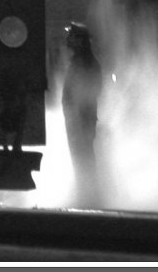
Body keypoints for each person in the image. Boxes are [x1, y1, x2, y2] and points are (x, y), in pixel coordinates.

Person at [62, 22, 103, 207]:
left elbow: (91, 90)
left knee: (83, 155)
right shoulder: (80, 61)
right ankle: (85, 193)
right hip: (77, 116)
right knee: (80, 154)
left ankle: (88, 195)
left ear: (81, 40)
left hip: (81, 117)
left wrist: (78, 112)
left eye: (73, 36)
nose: (69, 39)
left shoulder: (86, 63)